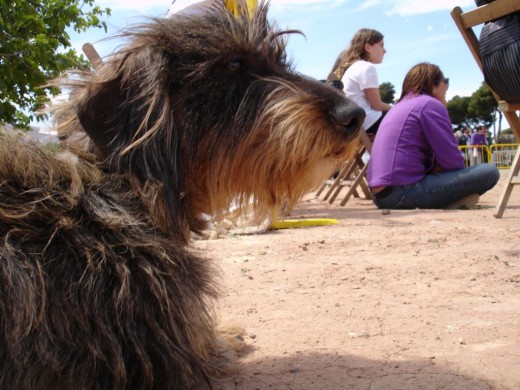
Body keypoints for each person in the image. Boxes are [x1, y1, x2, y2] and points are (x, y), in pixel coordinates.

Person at [367, 62, 500, 210]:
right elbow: (452, 162)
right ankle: (453, 200)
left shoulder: (399, 106)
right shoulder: (429, 104)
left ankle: (451, 199)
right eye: (445, 81)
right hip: (403, 192)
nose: (446, 87)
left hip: (381, 195)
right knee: (490, 172)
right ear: (433, 84)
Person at [327, 29, 392, 135]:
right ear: (368, 47)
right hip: (369, 121)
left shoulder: (353, 67)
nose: (385, 50)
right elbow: (376, 105)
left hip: (358, 122)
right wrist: (396, 108)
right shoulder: (366, 67)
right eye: (381, 45)